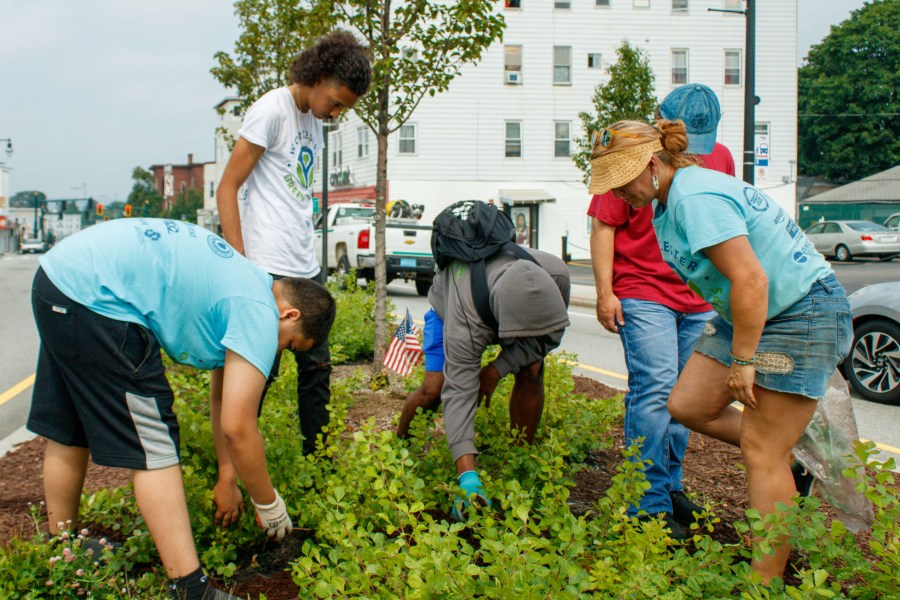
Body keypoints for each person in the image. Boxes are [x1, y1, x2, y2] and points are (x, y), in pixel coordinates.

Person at [588, 119, 851, 583]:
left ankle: (763, 584)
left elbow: (752, 279)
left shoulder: (694, 198)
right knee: (687, 404)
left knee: (759, 450)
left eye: (620, 179)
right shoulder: (664, 202)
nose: (615, 192)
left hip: (799, 311)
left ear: (651, 164)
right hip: (748, 312)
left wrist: (745, 361)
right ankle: (791, 455)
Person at [27, 218, 336, 600]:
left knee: (70, 426)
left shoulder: (245, 281)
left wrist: (228, 477)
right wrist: (269, 504)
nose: (278, 353)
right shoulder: (259, 311)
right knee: (155, 443)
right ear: (290, 315)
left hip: (60, 279)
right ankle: (190, 589)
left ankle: (64, 549)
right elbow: (239, 429)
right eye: (290, 346)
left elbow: (225, 401)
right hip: (100, 299)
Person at [216, 31, 372, 456]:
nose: (336, 113)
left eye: (345, 108)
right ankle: (236, 463)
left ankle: (317, 464)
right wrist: (240, 264)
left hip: (305, 264)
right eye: (336, 102)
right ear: (318, 77)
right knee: (256, 371)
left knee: (317, 370)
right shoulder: (271, 110)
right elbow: (227, 186)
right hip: (265, 266)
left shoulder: (312, 122)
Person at [587, 83, 731, 539]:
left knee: (684, 400)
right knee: (654, 389)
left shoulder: (721, 157)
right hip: (643, 289)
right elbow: (603, 224)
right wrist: (605, 291)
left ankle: (670, 487)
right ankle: (644, 503)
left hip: (697, 295)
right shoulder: (632, 155)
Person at [429, 247, 571, 519]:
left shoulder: (557, 276)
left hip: (498, 302)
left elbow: (548, 337)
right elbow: (460, 390)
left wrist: (496, 369)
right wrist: (467, 478)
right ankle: (400, 443)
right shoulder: (464, 321)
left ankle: (520, 457)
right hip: (453, 304)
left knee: (532, 366)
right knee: (433, 389)